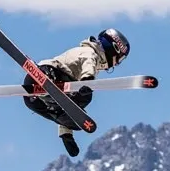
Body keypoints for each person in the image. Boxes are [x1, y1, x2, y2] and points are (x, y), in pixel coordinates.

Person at [23, 28, 130, 157]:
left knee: (78, 123)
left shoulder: (92, 56)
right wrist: (87, 80)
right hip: (51, 72)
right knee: (86, 97)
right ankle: (46, 85)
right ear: (114, 49)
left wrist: (66, 134)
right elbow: (88, 64)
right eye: (120, 59)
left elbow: (70, 106)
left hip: (32, 97)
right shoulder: (90, 53)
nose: (117, 64)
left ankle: (47, 99)